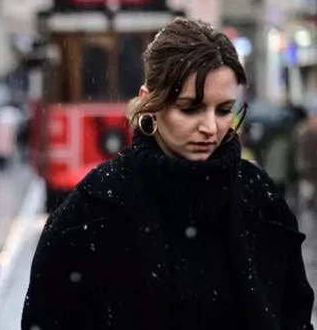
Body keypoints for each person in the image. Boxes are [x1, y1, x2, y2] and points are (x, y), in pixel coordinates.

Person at [21, 18, 314, 329]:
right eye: (189, 108)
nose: (210, 127)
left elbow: (294, 316)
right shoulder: (93, 209)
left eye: (224, 110)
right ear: (150, 101)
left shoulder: (259, 199)